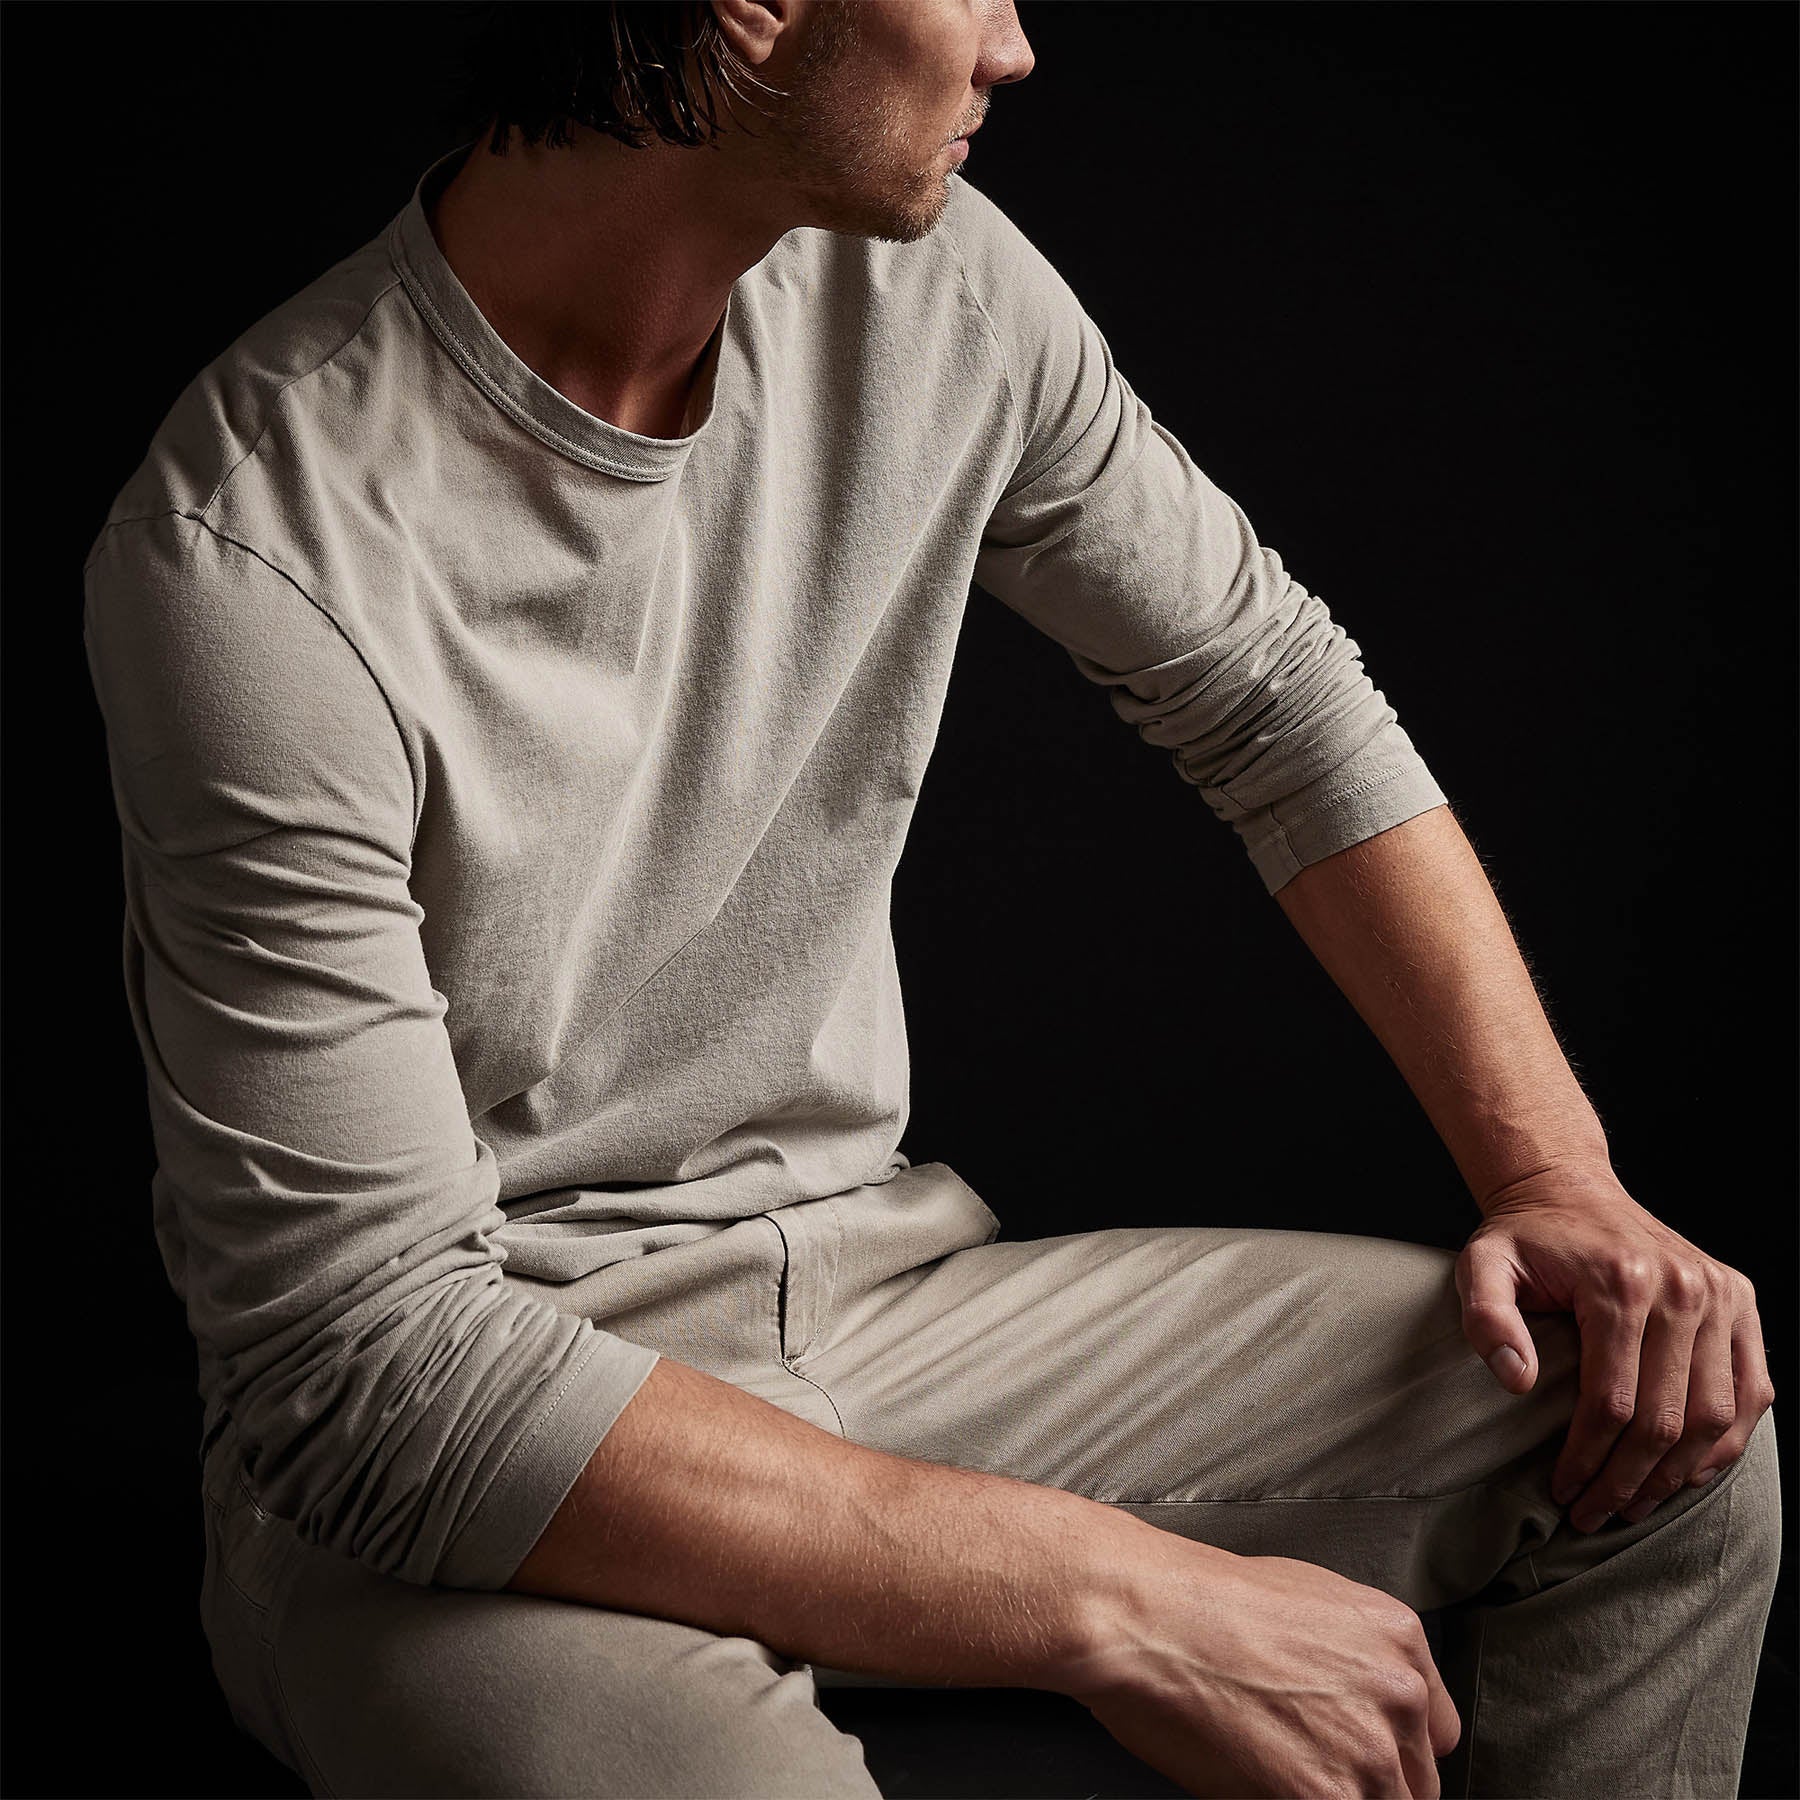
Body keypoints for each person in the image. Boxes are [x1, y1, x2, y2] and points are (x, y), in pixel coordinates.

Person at [80, 2, 1780, 1795]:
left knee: (1662, 1427)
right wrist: (1120, 1596)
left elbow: (1272, 696)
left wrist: (1553, 1176)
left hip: (873, 1310)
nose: (1015, 46)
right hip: (490, 1429)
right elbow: (372, 1371)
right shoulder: (253, 553)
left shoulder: (941, 282)